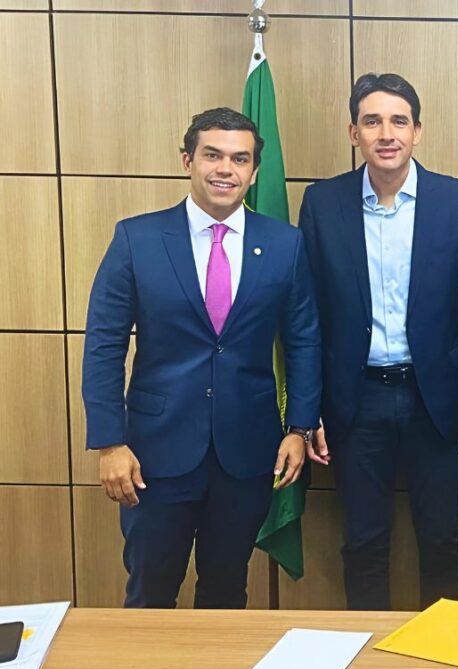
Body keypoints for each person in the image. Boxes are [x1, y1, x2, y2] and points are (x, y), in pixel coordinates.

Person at [82, 107, 322, 609]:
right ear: (187, 159)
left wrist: (299, 429)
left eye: (240, 159)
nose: (225, 169)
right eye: (212, 155)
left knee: (227, 592)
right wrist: (109, 443)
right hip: (155, 456)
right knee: (150, 593)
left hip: (247, 455)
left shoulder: (284, 245)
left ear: (255, 171)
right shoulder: (137, 239)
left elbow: (303, 341)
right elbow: (103, 344)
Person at [298, 73, 458, 610]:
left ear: (418, 131)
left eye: (399, 121)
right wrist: (307, 410)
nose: (387, 133)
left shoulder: (457, 202)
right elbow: (307, 316)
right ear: (353, 132)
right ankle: (366, 656)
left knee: (441, 539)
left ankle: (449, 656)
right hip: (354, 400)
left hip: (440, 400)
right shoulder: (323, 202)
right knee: (362, 542)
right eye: (372, 121)